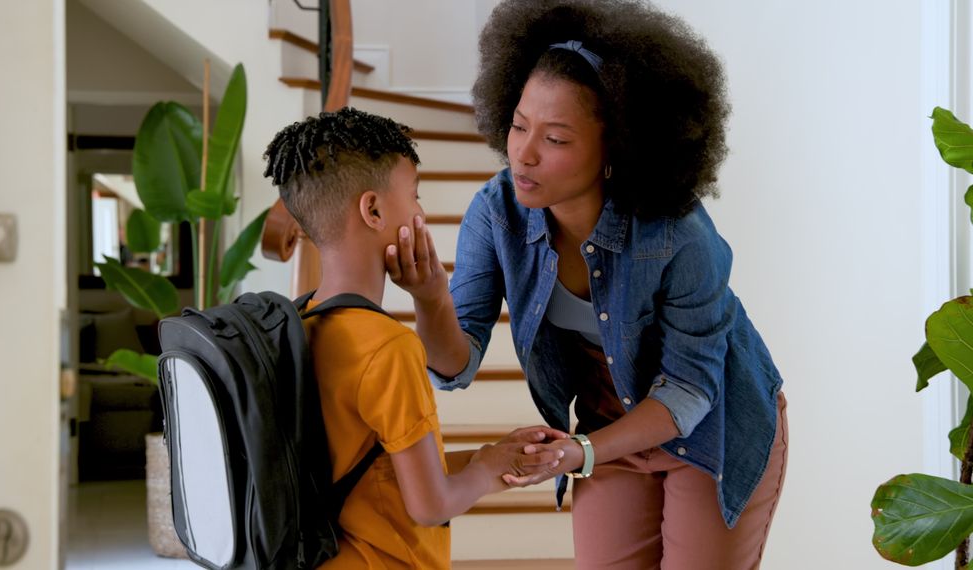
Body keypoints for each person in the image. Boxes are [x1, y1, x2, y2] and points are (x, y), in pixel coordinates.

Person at [385, 1, 788, 568]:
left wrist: (582, 451)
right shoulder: (496, 212)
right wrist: (430, 299)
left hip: (712, 430)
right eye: (519, 125)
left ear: (614, 150)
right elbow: (457, 365)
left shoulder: (679, 234)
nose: (523, 153)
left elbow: (688, 390)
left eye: (555, 139)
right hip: (607, 425)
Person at [262, 107, 568, 569]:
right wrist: (487, 470)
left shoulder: (300, 322)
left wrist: (491, 457)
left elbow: (377, 472)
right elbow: (431, 505)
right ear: (373, 210)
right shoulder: (389, 348)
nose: (420, 212)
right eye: (415, 196)